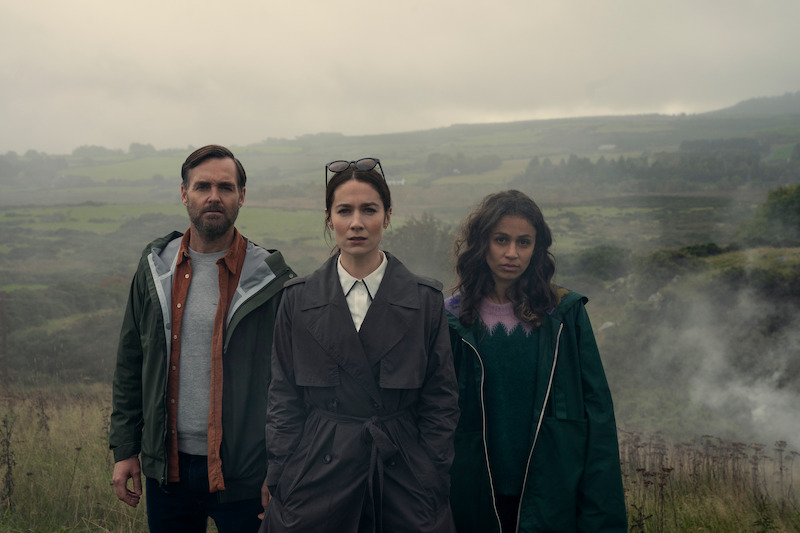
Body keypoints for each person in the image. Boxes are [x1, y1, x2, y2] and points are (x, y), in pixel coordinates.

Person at [261, 158, 459, 533]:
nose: (356, 223)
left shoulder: (425, 300)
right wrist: (281, 474)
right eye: (344, 211)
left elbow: (441, 398)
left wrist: (432, 472)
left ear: (386, 217)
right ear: (328, 218)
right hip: (316, 474)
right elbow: (283, 396)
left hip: (403, 474)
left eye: (369, 210)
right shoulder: (298, 300)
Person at [109, 145, 295, 532]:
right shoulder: (154, 270)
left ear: (241, 196)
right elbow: (131, 363)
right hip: (168, 471)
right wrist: (125, 449)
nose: (214, 196)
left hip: (244, 474)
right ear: (184, 193)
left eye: (226, 187)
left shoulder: (271, 281)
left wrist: (281, 466)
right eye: (202, 186)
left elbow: (290, 384)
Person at [445, 190, 627, 533]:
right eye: (501, 240)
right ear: (482, 242)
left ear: (537, 249)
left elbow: (597, 419)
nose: (511, 253)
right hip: (473, 500)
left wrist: (603, 521)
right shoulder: (451, 321)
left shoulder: (564, 316)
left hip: (552, 500)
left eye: (523, 242)